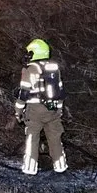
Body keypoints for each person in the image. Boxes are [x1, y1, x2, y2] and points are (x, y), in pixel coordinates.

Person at [14, 38, 67, 175]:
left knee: (32, 138)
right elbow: (60, 90)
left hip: (35, 110)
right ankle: (60, 166)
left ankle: (30, 169)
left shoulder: (30, 69)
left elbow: (24, 93)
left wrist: (18, 110)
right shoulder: (54, 68)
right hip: (53, 109)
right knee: (55, 138)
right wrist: (59, 109)